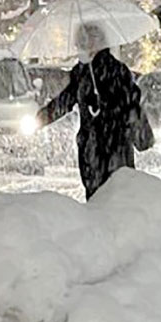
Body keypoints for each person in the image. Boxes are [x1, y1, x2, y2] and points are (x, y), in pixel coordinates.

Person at [37, 24, 152, 200]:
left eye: (83, 42)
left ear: (97, 43)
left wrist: (103, 104)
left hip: (113, 146)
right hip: (92, 148)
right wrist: (43, 117)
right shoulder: (82, 72)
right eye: (79, 43)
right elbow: (67, 99)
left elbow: (130, 103)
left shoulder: (116, 71)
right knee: (96, 197)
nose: (79, 48)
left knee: (115, 197)